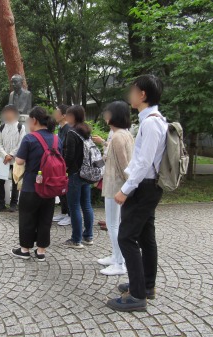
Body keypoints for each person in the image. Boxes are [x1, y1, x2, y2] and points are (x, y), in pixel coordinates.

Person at [107, 75, 167, 312]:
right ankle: (146, 285)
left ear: (142, 95)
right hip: (148, 186)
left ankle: (137, 295)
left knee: (126, 237)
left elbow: (143, 163)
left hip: (144, 187)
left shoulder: (151, 123)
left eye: (133, 90)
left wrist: (125, 189)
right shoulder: (155, 120)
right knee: (145, 236)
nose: (130, 94)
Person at [10, 106, 60, 262]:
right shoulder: (57, 139)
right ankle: (41, 251)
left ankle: (25, 250)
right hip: (50, 186)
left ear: (34, 120)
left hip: (32, 186)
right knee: (45, 218)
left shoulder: (29, 138)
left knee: (27, 217)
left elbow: (19, 161)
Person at [92, 101, 134, 276]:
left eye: (107, 113)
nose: (105, 116)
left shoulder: (117, 136)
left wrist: (127, 188)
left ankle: (119, 262)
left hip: (116, 186)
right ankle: (116, 256)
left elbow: (125, 166)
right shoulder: (125, 134)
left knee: (113, 224)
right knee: (115, 224)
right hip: (118, 186)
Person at [62, 105, 94, 249]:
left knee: (74, 206)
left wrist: (64, 169)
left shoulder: (71, 133)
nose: (66, 118)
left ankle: (76, 239)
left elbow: (69, 157)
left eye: (68, 115)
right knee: (86, 205)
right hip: (87, 173)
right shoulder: (86, 131)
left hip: (75, 174)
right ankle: (88, 236)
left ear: (73, 117)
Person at [0, 105, 26, 213]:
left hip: (16, 159)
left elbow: (21, 143)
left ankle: (14, 204)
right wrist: (5, 155)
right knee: (0, 181)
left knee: (15, 181)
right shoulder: (1, 127)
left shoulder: (20, 127)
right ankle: (1, 203)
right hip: (3, 159)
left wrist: (11, 155)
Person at [52, 104, 71, 226]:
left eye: (57, 112)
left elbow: (68, 149)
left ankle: (70, 214)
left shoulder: (69, 129)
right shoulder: (60, 128)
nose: (55, 114)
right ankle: (63, 212)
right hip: (60, 163)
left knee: (67, 190)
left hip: (66, 165)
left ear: (64, 115)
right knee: (61, 189)